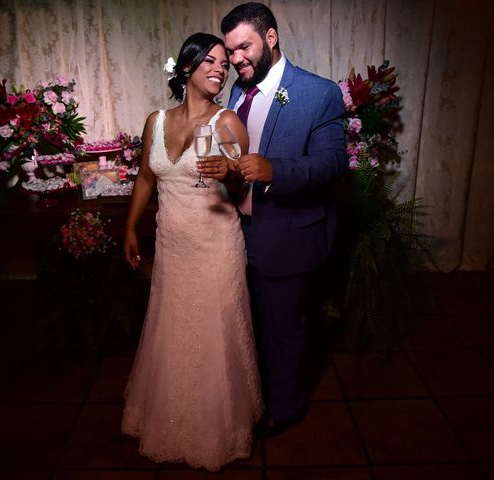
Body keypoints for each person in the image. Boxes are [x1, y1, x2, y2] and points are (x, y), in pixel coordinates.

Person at [121, 32, 262, 471]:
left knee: (214, 332)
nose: (221, 68)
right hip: (172, 244)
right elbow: (146, 177)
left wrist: (232, 173)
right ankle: (171, 418)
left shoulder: (228, 122)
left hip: (216, 245)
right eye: (212, 61)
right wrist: (130, 228)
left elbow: (247, 183)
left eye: (225, 62)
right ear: (186, 68)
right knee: (172, 326)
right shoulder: (155, 122)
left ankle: (218, 427)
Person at [219, 2, 348, 437]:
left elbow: (334, 163)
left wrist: (276, 169)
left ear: (270, 38)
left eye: (244, 47)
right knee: (248, 326)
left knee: (284, 330)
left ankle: (287, 408)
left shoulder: (318, 92)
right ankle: (257, 397)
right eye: (231, 50)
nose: (236, 58)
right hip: (235, 233)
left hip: (289, 236)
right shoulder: (236, 93)